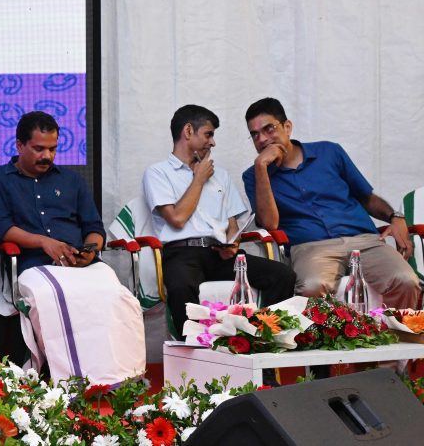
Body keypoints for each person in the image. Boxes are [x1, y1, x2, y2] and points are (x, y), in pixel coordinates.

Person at [0, 111, 144, 383]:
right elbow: (2, 228)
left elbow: (94, 226)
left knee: (116, 295)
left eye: (53, 149)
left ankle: (120, 375)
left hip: (82, 263)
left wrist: (91, 250)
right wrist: (45, 243)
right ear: (19, 145)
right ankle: (65, 378)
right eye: (39, 149)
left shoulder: (71, 180)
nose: (47, 156)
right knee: (50, 298)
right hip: (33, 264)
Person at [243, 97, 419, 309]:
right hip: (311, 247)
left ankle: (397, 329)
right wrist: (261, 167)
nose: (262, 139)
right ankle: (329, 332)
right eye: (255, 134)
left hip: (364, 240)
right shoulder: (253, 175)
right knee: (311, 288)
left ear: (287, 127)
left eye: (268, 129)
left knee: (406, 281)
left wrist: (396, 217)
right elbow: (270, 224)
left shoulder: (329, 152)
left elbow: (366, 196)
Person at [142, 105, 295, 335]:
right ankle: (191, 348)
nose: (212, 142)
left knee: (282, 275)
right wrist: (199, 179)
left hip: (219, 254)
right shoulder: (158, 173)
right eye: (208, 134)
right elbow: (177, 218)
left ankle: (264, 338)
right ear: (188, 131)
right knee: (181, 287)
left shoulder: (221, 175)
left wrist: (232, 243)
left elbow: (232, 223)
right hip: (182, 254)